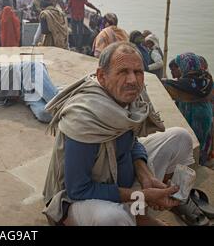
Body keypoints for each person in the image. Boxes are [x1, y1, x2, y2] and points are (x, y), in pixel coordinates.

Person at [43, 42, 197, 226]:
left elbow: (131, 142)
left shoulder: (131, 97)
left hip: (118, 174)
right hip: (77, 200)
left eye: (138, 72)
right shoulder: (83, 118)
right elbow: (78, 189)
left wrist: (146, 175)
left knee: (180, 138)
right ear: (102, 76)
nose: (132, 80)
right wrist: (140, 195)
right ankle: (133, 215)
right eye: (123, 72)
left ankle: (138, 215)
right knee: (110, 218)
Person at [163, 53, 213, 165]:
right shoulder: (206, 79)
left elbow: (169, 86)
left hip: (195, 116)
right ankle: (199, 163)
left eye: (180, 66)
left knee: (192, 143)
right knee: (201, 142)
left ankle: (193, 166)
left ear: (185, 66)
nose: (179, 68)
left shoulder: (185, 84)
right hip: (205, 114)